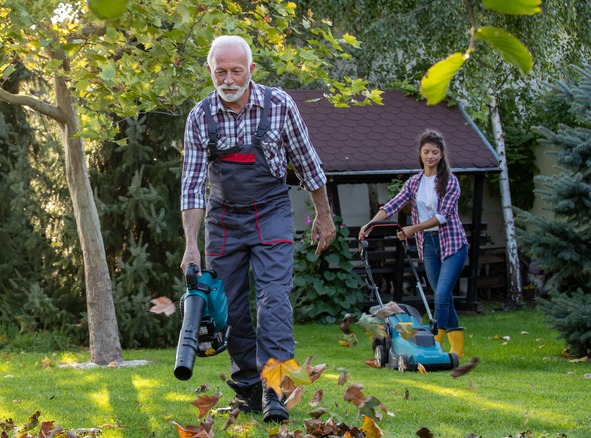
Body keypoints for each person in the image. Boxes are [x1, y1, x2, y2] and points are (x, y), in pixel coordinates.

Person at [180, 35, 335, 423]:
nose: (228, 79)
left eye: (236, 71)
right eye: (221, 71)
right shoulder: (200, 117)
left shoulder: (279, 105)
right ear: (210, 72)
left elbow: (307, 163)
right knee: (228, 308)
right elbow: (193, 185)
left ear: (251, 70)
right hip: (224, 219)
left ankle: (274, 389)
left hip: (271, 212)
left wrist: (324, 215)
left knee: (275, 300)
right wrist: (191, 246)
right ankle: (248, 388)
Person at [359, 129, 468, 359]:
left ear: (441, 155)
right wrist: (369, 225)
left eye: (435, 152)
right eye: (426, 151)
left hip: (452, 244)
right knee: (443, 297)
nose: (430, 156)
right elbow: (392, 206)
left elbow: (442, 217)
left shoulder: (450, 182)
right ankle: (456, 348)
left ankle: (434, 345)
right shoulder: (414, 182)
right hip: (428, 244)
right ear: (420, 153)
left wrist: (412, 228)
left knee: (440, 295)